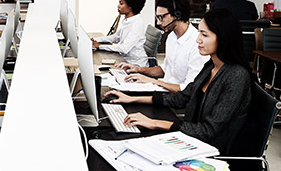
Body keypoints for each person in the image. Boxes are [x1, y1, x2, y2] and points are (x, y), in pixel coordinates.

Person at [104, 9, 253, 155]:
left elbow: (208, 131)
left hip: (211, 151)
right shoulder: (211, 66)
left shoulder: (236, 76)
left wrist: (154, 122)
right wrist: (132, 99)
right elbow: (182, 97)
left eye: (204, 35)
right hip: (191, 140)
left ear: (223, 39)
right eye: (199, 32)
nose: (197, 39)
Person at [117, 0, 209, 93]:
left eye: (161, 17)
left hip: (179, 101)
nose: (158, 23)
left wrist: (152, 82)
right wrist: (138, 69)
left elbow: (189, 89)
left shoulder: (197, 44)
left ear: (177, 15)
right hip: (164, 92)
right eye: (157, 17)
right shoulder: (171, 37)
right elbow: (165, 69)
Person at [91, 0, 148, 67]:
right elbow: (115, 38)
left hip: (136, 64)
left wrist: (100, 46)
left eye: (121, 3)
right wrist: (95, 40)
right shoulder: (127, 20)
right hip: (124, 60)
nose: (118, 6)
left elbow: (124, 48)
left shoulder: (137, 23)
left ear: (130, 6)